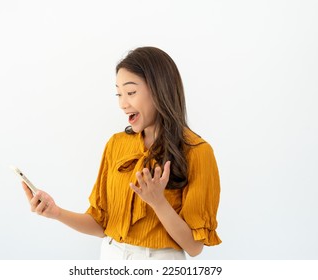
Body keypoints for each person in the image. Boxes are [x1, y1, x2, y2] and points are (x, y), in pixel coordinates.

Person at [22, 46, 221, 260]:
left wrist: (158, 202)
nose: (122, 104)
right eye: (119, 94)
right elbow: (101, 224)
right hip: (111, 256)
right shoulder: (116, 144)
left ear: (160, 90)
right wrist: (56, 212)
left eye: (131, 93)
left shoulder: (197, 152)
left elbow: (194, 247)